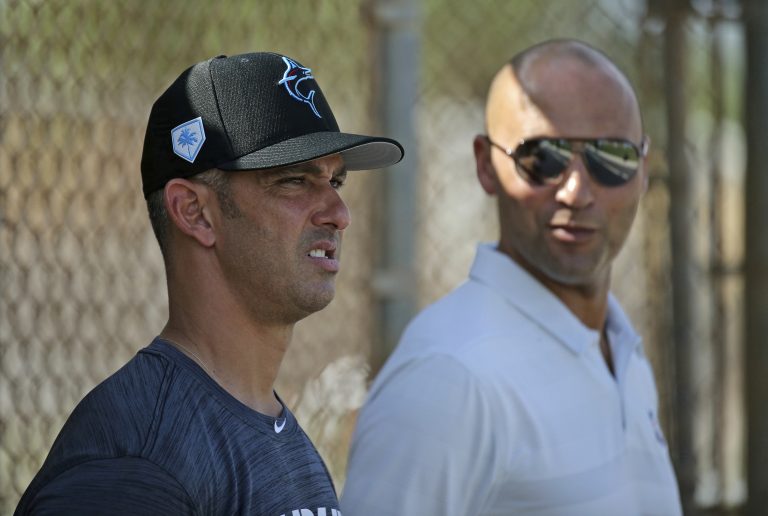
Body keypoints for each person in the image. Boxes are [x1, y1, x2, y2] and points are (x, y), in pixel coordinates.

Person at [15, 52, 403, 515]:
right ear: (194, 212)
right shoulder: (133, 469)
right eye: (294, 180)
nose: (339, 214)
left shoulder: (272, 430)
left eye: (335, 182)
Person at [341, 39, 682, 515]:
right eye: (543, 157)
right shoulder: (449, 378)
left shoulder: (619, 348)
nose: (577, 192)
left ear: (644, 171)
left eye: (613, 157)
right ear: (486, 165)